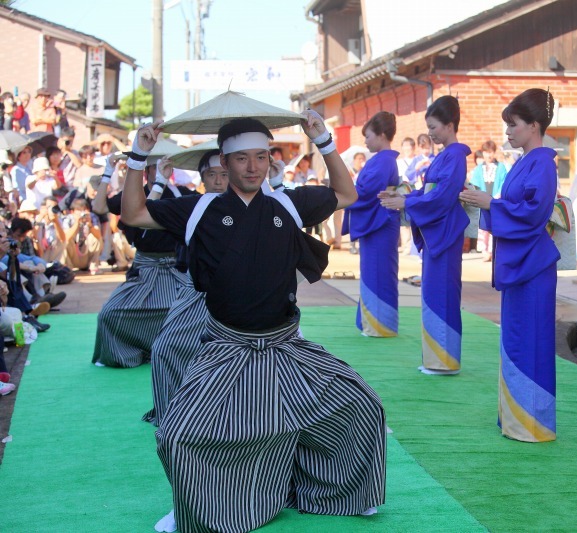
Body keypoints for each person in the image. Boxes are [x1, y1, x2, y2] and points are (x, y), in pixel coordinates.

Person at [121, 113, 385, 532]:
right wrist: (139, 157)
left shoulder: (286, 202)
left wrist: (324, 141)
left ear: (269, 159)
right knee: (180, 435)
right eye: (241, 159)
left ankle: (332, 492)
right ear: (224, 163)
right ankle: (193, 507)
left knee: (361, 406)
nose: (252, 167)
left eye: (261, 157)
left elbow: (346, 194)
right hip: (227, 348)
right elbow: (133, 215)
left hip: (287, 345)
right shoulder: (200, 208)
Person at [461, 88, 559, 442]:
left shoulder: (543, 163)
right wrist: (487, 202)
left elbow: (532, 214)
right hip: (524, 262)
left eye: (514, 125)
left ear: (534, 125)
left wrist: (491, 202)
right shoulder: (527, 162)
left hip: (531, 266)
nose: (508, 132)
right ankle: (519, 419)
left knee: (529, 340)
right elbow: (519, 210)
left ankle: (532, 423)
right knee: (518, 339)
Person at [380, 96, 470, 374]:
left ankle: (444, 361)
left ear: (450, 125)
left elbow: (442, 197)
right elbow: (430, 192)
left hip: (444, 231)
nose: (430, 133)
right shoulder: (445, 155)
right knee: (434, 292)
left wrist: (407, 202)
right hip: (438, 231)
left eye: (434, 127)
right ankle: (437, 358)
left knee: (441, 292)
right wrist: (403, 194)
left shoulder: (454, 155)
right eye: (429, 127)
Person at [142, 149, 229, 427]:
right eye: (211, 174)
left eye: (224, 174)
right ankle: (175, 410)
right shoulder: (192, 205)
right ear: (202, 178)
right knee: (165, 349)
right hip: (192, 290)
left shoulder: (256, 204)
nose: (218, 180)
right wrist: (157, 180)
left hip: (246, 298)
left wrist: (274, 181)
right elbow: (137, 223)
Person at [91, 156, 192, 368]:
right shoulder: (134, 195)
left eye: (165, 165)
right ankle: (128, 352)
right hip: (145, 270)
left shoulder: (181, 195)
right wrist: (108, 172)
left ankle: (174, 350)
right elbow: (99, 207)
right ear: (145, 172)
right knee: (110, 314)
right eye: (155, 167)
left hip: (178, 270)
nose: (161, 170)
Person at [343, 111, 401, 337]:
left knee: (377, 272)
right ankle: (376, 323)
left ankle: (379, 325)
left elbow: (367, 192)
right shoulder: (383, 160)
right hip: (378, 221)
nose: (365, 141)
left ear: (382, 135)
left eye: (368, 136)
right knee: (376, 271)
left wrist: (345, 192)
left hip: (378, 222)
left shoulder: (383, 160)